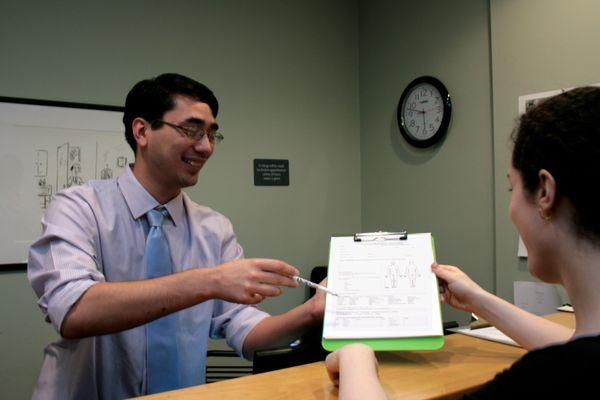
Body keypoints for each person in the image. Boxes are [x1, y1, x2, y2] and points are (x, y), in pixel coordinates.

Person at [28, 73, 324, 400]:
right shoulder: (80, 208)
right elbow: (74, 312)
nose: (206, 146)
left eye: (212, 134)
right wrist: (210, 281)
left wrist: (312, 311)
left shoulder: (214, 229)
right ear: (142, 131)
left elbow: (247, 334)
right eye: (191, 130)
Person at [325, 86, 600, 399]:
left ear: (544, 193)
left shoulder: (545, 379)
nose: (511, 208)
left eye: (512, 189)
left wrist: (356, 357)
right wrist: (478, 299)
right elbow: (574, 342)